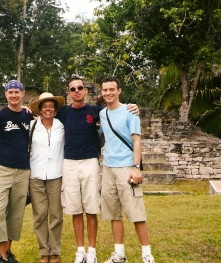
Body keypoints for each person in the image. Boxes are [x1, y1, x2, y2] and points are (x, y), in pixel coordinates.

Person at [55, 76, 138, 263]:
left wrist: (132, 108)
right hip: (69, 163)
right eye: (72, 88)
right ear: (68, 93)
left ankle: (92, 250)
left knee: (91, 208)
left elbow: (115, 111)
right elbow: (43, 112)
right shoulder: (64, 112)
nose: (76, 91)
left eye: (80, 88)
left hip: (90, 162)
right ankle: (80, 250)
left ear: (85, 91)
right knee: (75, 209)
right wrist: (28, 110)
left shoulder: (96, 111)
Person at [99, 77, 155, 263]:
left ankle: (147, 254)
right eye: (105, 90)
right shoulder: (102, 114)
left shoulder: (130, 111)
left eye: (111, 89)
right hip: (108, 167)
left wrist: (136, 167)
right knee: (114, 213)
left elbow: (137, 140)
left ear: (119, 91)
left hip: (126, 167)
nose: (108, 93)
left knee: (136, 212)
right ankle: (119, 254)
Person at [0, 80, 34, 263]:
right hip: (2, 168)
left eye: (17, 92)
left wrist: (31, 112)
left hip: (22, 169)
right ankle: (1, 256)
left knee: (15, 213)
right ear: (5, 94)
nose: (14, 95)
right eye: (10, 92)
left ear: (23, 94)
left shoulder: (29, 116)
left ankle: (8, 251)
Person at [28, 93, 66, 263]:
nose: (48, 109)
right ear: (40, 110)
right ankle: (44, 251)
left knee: (56, 214)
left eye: (51, 106)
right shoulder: (32, 126)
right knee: (40, 214)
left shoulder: (62, 126)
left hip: (56, 174)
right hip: (35, 174)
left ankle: (55, 251)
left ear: (55, 110)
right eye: (44, 106)